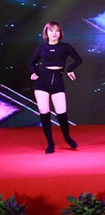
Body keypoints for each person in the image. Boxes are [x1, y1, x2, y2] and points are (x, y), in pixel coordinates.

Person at [28, 21, 82, 154]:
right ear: (46, 33)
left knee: (61, 113)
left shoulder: (65, 47)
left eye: (57, 31)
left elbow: (78, 59)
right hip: (42, 82)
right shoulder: (41, 48)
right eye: (51, 30)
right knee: (44, 112)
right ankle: (50, 143)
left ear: (60, 33)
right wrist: (34, 73)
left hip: (58, 80)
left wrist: (70, 69)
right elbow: (31, 63)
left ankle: (67, 137)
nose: (54, 33)